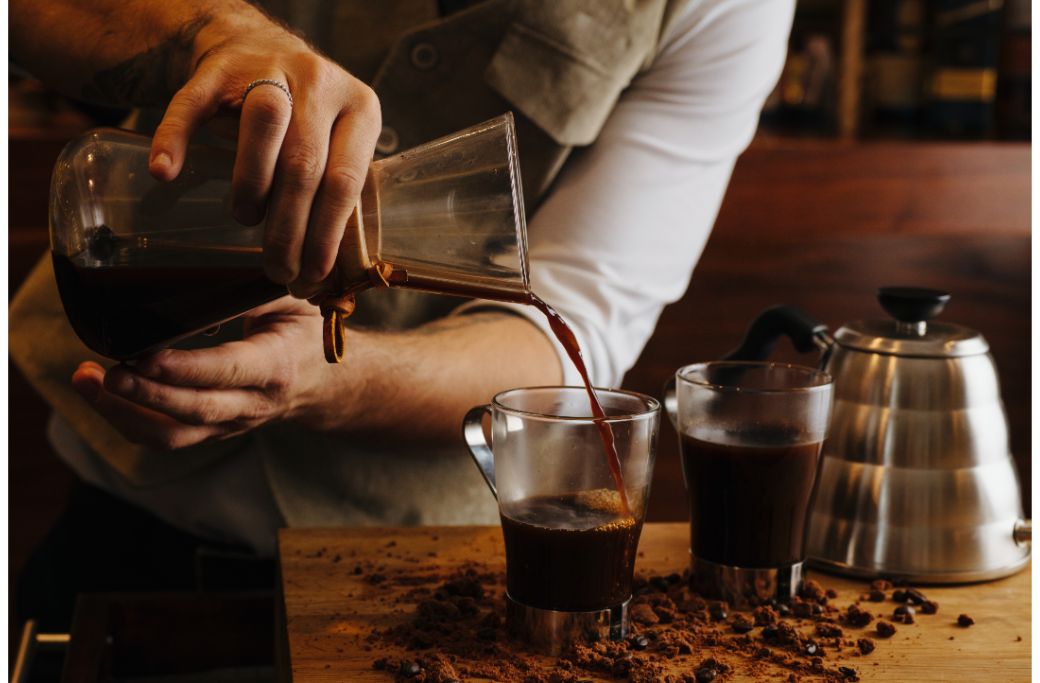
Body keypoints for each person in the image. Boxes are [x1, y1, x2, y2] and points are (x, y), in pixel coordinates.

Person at [10, 0, 795, 626]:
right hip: (125, 534)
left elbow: (566, 330)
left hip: (424, 584)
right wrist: (216, 32)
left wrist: (316, 378)